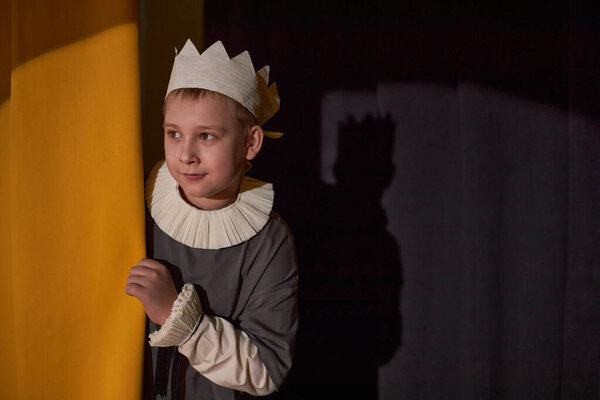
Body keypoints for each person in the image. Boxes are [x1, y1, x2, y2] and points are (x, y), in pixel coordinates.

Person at [125, 39, 298, 400]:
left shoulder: (269, 242)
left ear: (250, 142)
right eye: (174, 134)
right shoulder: (132, 205)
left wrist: (180, 319)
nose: (186, 154)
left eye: (206, 136)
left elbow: (266, 370)